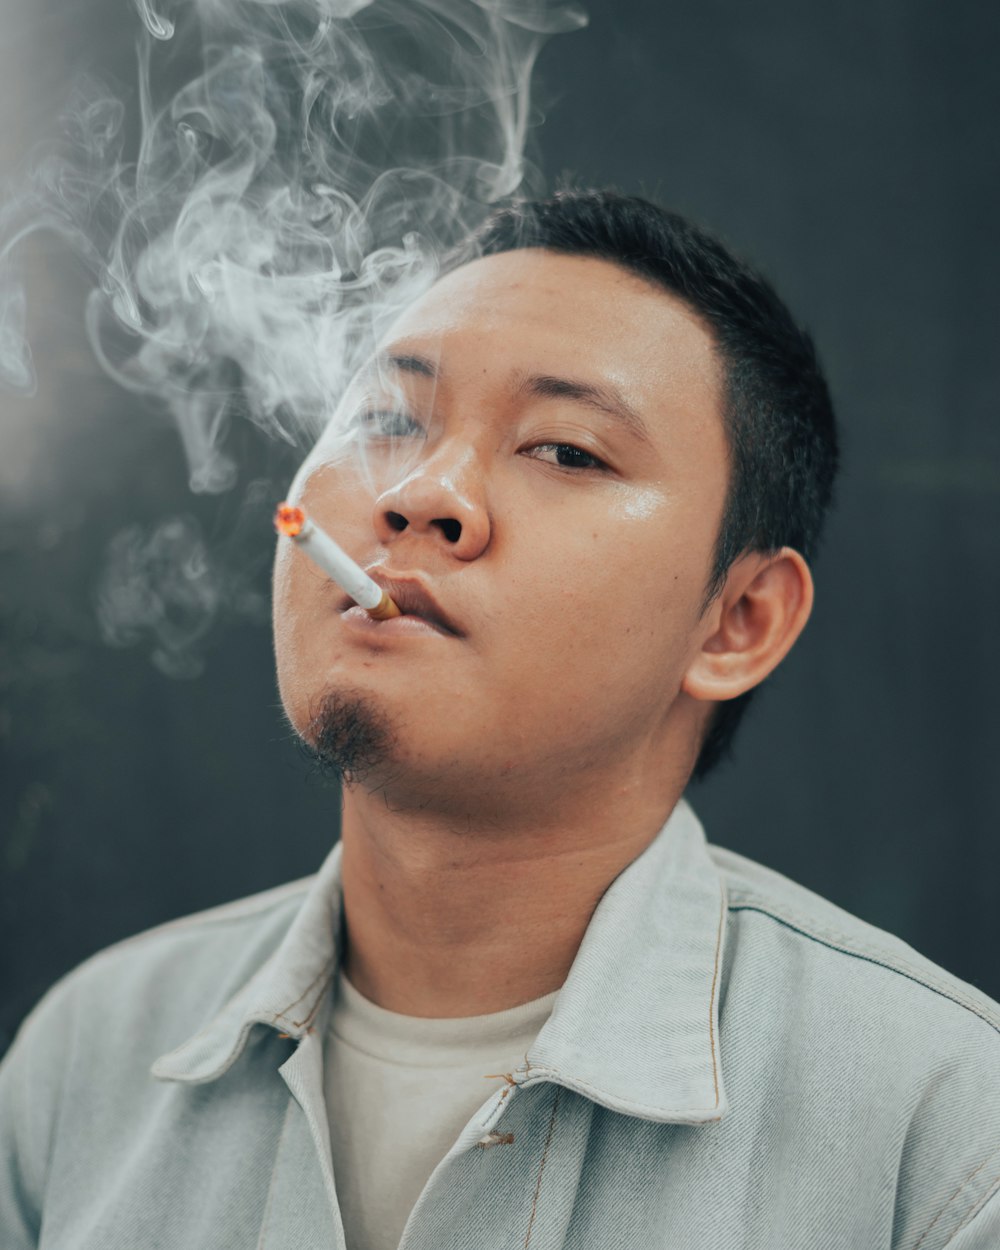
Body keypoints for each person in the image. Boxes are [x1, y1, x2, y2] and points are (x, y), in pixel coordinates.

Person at [2, 190, 998, 1249]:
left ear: (736, 621)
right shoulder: (86, 1059)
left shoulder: (939, 1130)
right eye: (387, 420)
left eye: (566, 450)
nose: (421, 495)